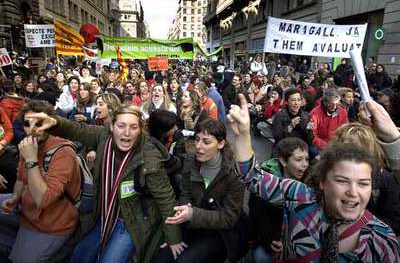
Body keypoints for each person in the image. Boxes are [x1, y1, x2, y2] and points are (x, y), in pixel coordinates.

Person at [228, 94, 400, 262]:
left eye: (363, 183)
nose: (353, 192)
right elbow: (251, 177)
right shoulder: (300, 196)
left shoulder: (382, 241)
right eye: (342, 180)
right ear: (323, 181)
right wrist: (243, 135)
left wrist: (394, 139)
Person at [23, 104, 185, 263]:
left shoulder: (149, 157)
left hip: (130, 222)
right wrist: (55, 122)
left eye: (133, 127)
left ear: (140, 130)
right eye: (121, 125)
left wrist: (174, 238)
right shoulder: (103, 137)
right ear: (112, 127)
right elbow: (78, 129)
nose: (127, 133)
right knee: (80, 256)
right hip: (105, 212)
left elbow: (166, 199)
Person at [153, 118, 246, 263]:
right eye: (197, 139)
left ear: (221, 144)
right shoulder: (191, 160)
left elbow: (229, 218)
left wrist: (192, 214)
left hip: (219, 235)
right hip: (190, 226)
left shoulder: (234, 173)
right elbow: (185, 193)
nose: (198, 146)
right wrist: (178, 227)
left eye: (206, 142)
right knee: (162, 258)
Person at [0, 100, 80, 262]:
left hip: (52, 225)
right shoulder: (27, 146)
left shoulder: (63, 152)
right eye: (29, 124)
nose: (34, 129)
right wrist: (15, 198)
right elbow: (21, 179)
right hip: (27, 211)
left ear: (49, 124)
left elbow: (43, 199)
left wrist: (31, 159)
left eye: (40, 123)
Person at [249, 137, 310, 263]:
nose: (305, 164)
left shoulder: (309, 182)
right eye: (299, 159)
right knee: (262, 257)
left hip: (297, 240)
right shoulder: (264, 184)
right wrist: (270, 240)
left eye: (306, 159)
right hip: (270, 237)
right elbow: (257, 216)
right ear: (283, 161)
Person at [334, 122, 400, 236]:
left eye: (353, 146)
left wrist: (361, 224)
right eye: (342, 145)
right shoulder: (326, 175)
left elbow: (395, 220)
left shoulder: (385, 179)